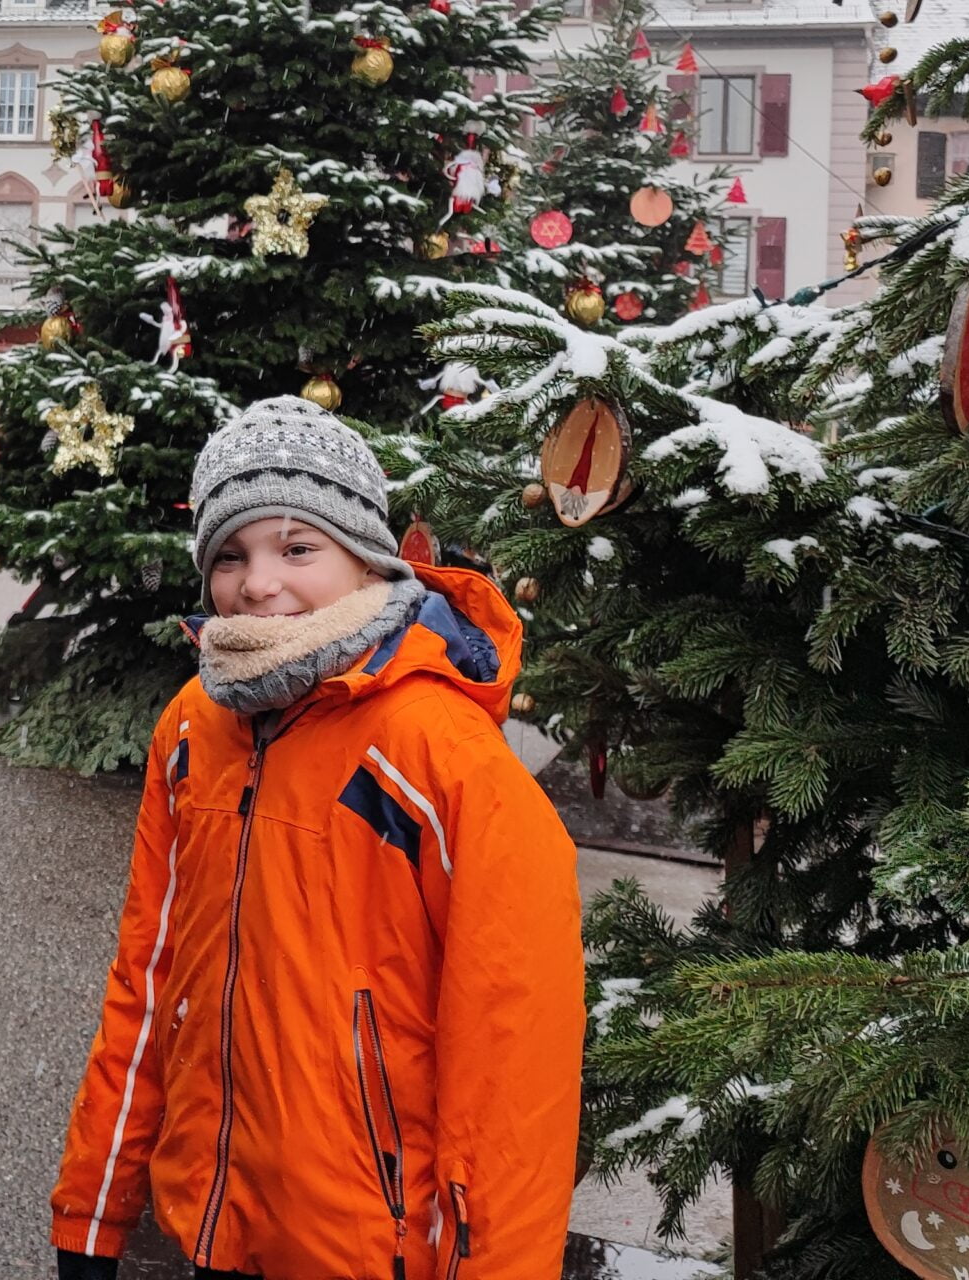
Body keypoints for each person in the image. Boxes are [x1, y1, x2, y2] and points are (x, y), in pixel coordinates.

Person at [51, 396, 583, 1280]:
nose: (258, 584)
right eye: (231, 554)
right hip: (217, 1222)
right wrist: (94, 1204)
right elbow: (150, 978)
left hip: (369, 1246)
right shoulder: (193, 729)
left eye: (298, 548)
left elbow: (512, 1066)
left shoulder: (440, 755)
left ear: (364, 556)